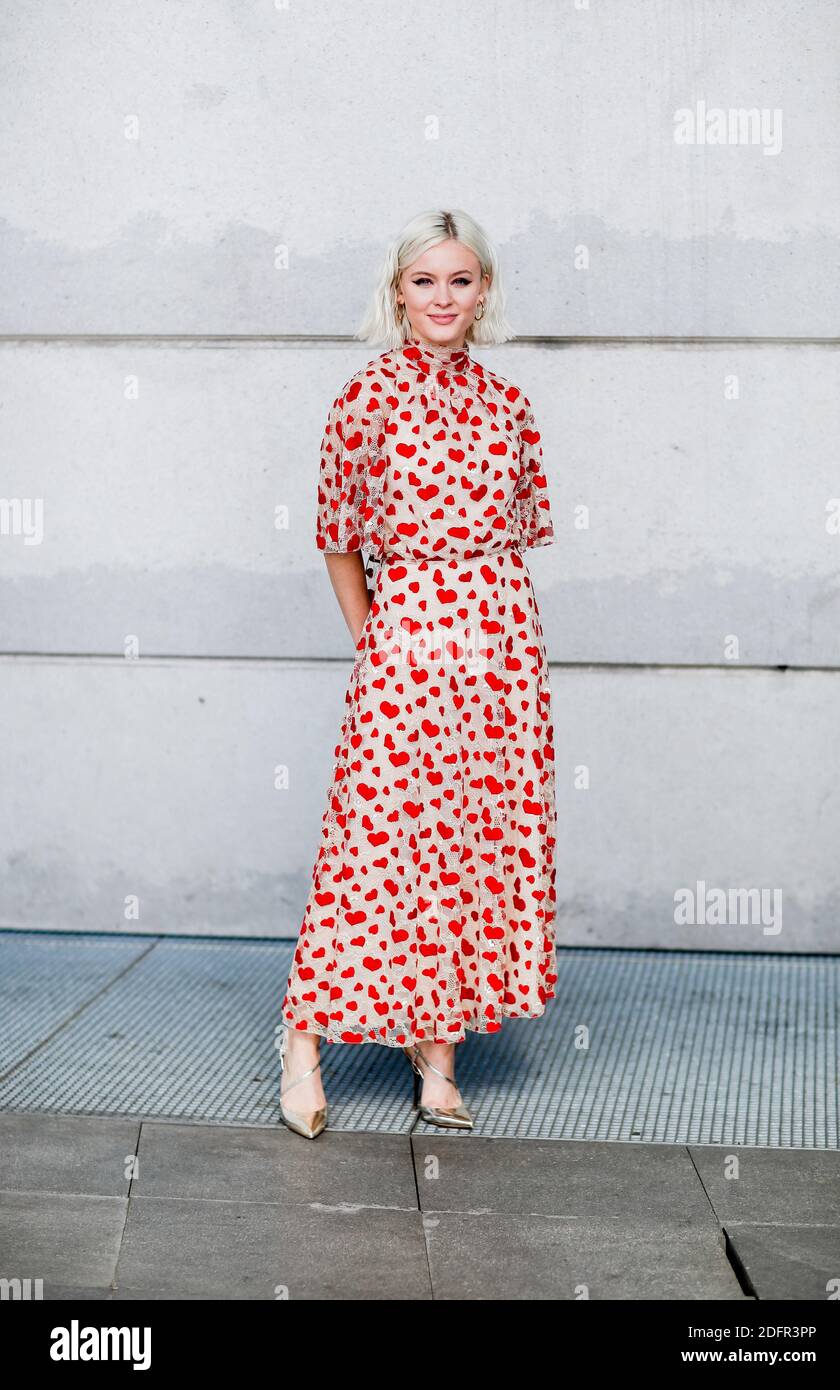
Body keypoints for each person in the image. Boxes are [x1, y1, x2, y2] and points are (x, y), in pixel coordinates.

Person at [277, 208, 557, 1139]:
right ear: (398, 291)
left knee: (472, 843)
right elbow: (339, 541)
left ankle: (437, 1056)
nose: (442, 298)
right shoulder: (365, 398)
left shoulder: (510, 406)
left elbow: (518, 540)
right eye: (424, 281)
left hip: (501, 647)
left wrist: (499, 648)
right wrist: (378, 641)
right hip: (408, 636)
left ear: (484, 292)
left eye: (460, 280)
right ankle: (305, 1040)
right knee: (373, 843)